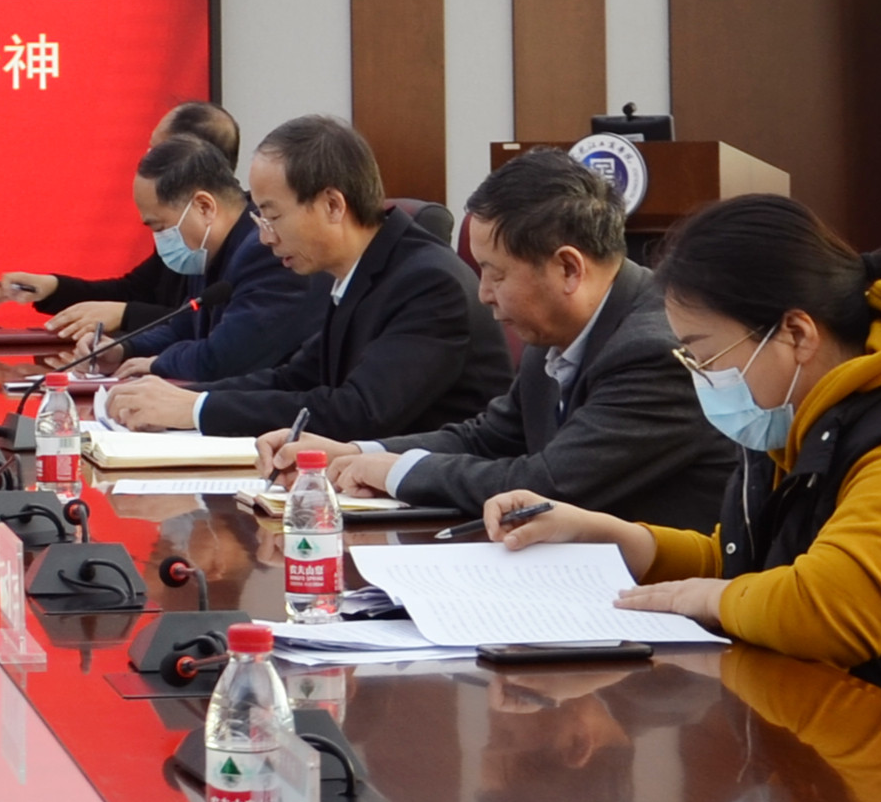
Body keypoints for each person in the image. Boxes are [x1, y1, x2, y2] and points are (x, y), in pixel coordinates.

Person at [488, 192, 881, 723]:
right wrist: (613, 538)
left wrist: (710, 599)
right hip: (859, 711)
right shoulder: (812, 415)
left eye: (704, 354)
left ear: (797, 334)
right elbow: (751, 562)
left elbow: (832, 612)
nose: (702, 377)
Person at [286, 153, 719, 532]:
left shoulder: (655, 350)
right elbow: (488, 438)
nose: (483, 294)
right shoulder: (554, 329)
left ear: (568, 269)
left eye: (496, 274)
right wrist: (355, 452)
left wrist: (398, 472)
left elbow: (547, 485)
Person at [99, 117, 496, 443]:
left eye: (273, 217)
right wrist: (185, 397)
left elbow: (359, 412)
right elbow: (294, 378)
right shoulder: (359, 270)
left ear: (332, 205)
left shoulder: (427, 283)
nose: (265, 237)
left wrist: (197, 410)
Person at [0, 100, 244, 341]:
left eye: (156, 152)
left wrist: (125, 315)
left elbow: (206, 328)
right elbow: (135, 292)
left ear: (193, 156)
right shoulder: (185, 235)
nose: (145, 159)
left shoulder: (248, 244)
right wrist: (53, 288)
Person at [89, 132, 314, 390]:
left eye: (160, 227)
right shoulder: (208, 251)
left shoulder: (265, 251)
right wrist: (123, 348)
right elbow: (181, 329)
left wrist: (158, 364)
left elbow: (225, 358)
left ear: (204, 207)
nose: (159, 241)